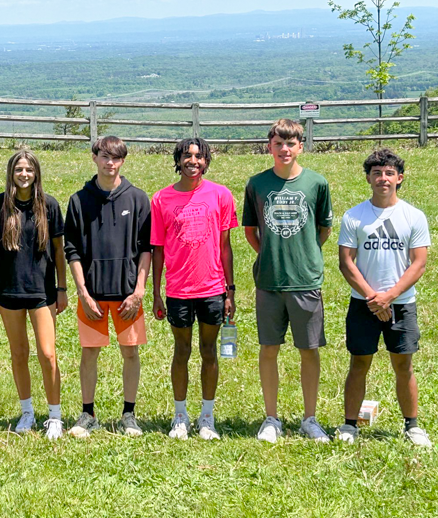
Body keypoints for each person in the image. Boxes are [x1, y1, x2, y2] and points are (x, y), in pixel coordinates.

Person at [242, 119, 333, 443]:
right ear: (270, 146)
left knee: (309, 351)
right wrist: (271, 253)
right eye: (278, 143)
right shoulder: (256, 184)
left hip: (305, 280)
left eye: (291, 143)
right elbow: (251, 231)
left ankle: (310, 418)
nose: (284, 149)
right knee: (269, 349)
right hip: (269, 280)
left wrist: (303, 253)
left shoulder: (317, 183)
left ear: (300, 147)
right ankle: (271, 418)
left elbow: (322, 229)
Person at [336, 149, 431, 446]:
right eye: (377, 173)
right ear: (368, 178)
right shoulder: (354, 216)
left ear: (399, 178)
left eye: (389, 173)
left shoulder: (413, 216)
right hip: (363, 304)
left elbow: (419, 263)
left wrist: (389, 296)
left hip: (402, 304)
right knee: (359, 363)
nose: (383, 178)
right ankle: (350, 425)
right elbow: (346, 262)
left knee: (404, 365)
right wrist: (372, 298)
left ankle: (412, 426)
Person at [65, 136, 152, 438]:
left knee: (130, 353)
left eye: (116, 157)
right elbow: (71, 249)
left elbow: (145, 248)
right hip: (93, 296)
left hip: (127, 293)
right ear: (94, 158)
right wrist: (83, 292)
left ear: (123, 161)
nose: (110, 162)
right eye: (104, 156)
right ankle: (87, 413)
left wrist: (139, 290)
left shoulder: (138, 199)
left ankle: (129, 413)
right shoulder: (78, 200)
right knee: (89, 354)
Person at [151, 138, 237, 440]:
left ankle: (207, 416)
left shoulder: (221, 195)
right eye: (187, 156)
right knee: (182, 351)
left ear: (206, 161)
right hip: (178, 290)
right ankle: (180, 415)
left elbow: (225, 247)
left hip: (212, 288)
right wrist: (156, 291)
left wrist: (230, 291)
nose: (193, 161)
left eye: (199, 156)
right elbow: (158, 249)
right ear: (178, 160)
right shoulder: (161, 199)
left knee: (209, 351)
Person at [0, 150, 67, 440]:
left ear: (37, 173)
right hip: (8, 292)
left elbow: (59, 250)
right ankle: (27, 412)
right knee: (19, 354)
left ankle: (55, 415)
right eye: (19, 169)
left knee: (47, 354)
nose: (24, 174)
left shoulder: (49, 205)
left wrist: (62, 288)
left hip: (42, 292)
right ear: (11, 172)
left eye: (29, 169)